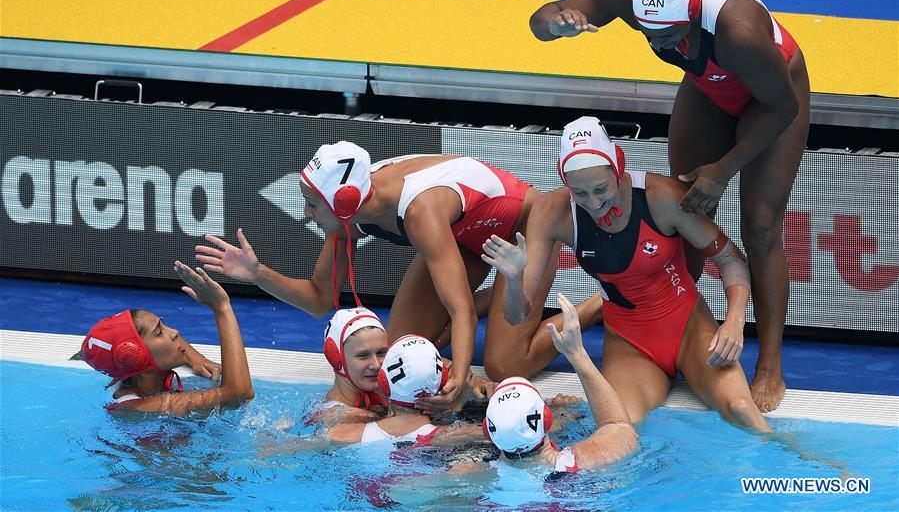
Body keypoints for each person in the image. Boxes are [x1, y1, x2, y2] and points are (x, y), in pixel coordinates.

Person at [529, 0, 809, 412]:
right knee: (688, 208)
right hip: (711, 84)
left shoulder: (738, 29)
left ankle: (770, 364)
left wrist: (723, 169)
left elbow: (783, 108)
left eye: (671, 34)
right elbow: (541, 19)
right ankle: (678, 332)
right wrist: (556, 24)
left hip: (774, 97)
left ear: (694, 10)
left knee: (760, 228)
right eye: (650, 34)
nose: (662, 45)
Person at [196, 142, 602, 411]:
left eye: (310, 205)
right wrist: (256, 273)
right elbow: (321, 298)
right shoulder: (350, 212)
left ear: (345, 202)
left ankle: (596, 307)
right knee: (397, 352)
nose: (305, 214)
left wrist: (460, 380)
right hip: (461, 235)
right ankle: (495, 302)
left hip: (522, 230)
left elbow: (459, 310)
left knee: (503, 364)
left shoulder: (420, 212)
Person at [483, 117, 770, 431]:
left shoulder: (661, 196)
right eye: (579, 193)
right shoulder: (553, 212)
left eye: (601, 189)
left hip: (689, 329)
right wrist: (513, 279)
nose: (593, 204)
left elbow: (732, 261)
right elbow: (516, 315)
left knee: (742, 411)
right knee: (620, 428)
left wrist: (734, 321)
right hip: (630, 345)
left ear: (618, 168)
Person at [480, 293, 637, 472]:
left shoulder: (477, 474)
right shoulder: (576, 462)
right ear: (547, 418)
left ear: (488, 430)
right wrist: (576, 354)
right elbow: (619, 426)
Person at [80, 261, 254, 415]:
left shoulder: (125, 373)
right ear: (136, 356)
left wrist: (197, 359)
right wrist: (221, 308)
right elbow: (239, 394)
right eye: (159, 332)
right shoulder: (145, 407)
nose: (175, 333)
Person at [327, 334, 483, 445]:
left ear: (384, 382)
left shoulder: (344, 433)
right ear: (442, 380)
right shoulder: (458, 434)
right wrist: (456, 407)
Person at [305, 306, 390, 427]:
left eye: (381, 353)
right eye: (363, 355)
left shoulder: (379, 401)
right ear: (335, 358)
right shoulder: (338, 418)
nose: (376, 365)